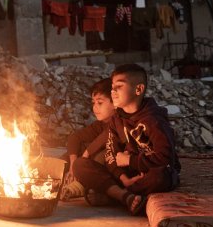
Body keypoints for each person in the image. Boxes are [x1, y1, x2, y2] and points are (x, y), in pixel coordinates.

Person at [72, 64, 179, 216]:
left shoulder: (154, 120)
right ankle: (126, 196)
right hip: (126, 176)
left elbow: (167, 158)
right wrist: (123, 178)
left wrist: (131, 161)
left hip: (148, 172)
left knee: (161, 177)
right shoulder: (117, 119)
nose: (113, 92)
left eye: (119, 86)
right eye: (113, 87)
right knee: (80, 165)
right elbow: (111, 154)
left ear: (138, 90)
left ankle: (115, 195)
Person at [60, 78, 115, 199]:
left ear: (115, 102)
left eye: (100, 103)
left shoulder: (121, 121)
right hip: (88, 165)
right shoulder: (101, 123)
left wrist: (86, 154)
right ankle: (66, 179)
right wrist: (72, 165)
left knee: (99, 155)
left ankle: (79, 186)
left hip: (112, 167)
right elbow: (75, 137)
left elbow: (105, 138)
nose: (95, 108)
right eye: (93, 103)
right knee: (67, 157)